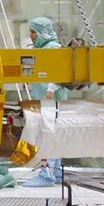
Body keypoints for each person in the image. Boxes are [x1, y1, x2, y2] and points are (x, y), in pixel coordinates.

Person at [23, 16, 70, 187]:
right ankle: (56, 172)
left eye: (33, 32)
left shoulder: (53, 48)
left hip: (51, 101)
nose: (31, 35)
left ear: (43, 32)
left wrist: (51, 89)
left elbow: (60, 69)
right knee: (53, 134)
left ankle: (47, 174)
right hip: (45, 101)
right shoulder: (42, 48)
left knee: (47, 135)